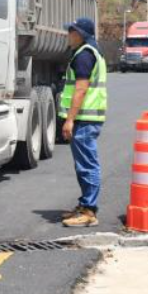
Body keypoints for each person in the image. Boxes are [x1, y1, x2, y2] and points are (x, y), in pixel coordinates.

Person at [59, 17, 107, 227]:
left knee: (87, 165)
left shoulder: (84, 56)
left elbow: (81, 89)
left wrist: (69, 119)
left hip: (84, 118)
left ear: (80, 34)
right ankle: (85, 205)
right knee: (83, 165)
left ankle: (89, 211)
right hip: (86, 117)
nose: (68, 34)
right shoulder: (87, 52)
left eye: (71, 31)